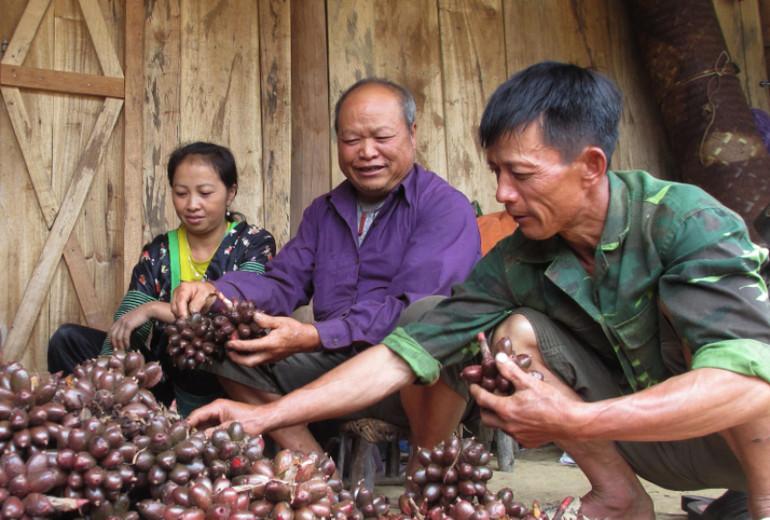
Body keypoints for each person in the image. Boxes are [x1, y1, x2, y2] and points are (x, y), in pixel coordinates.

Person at [186, 62, 770, 519]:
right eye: (497, 172)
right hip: (644, 439)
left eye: (522, 174)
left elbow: (746, 386)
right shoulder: (519, 257)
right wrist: (265, 416)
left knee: (742, 357)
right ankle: (619, 497)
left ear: (591, 166)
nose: (503, 195)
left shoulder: (686, 221)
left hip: (727, 432)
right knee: (516, 332)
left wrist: (578, 419)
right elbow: (407, 349)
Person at [172, 78, 481, 457]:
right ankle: (316, 469)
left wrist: (315, 335)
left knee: (429, 314)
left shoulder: (445, 208)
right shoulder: (324, 211)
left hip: (409, 379)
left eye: (382, 137)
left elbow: (416, 310)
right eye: (351, 140)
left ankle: (426, 466)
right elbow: (282, 283)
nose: (367, 152)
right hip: (329, 372)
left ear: (412, 134)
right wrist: (217, 292)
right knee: (219, 342)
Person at [48, 142, 276, 416]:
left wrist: (154, 309)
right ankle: (108, 423)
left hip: (233, 379)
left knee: (192, 343)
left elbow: (240, 316)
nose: (192, 204)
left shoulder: (254, 242)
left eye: (205, 193)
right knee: (68, 340)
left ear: (231, 192)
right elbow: (128, 325)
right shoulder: (159, 251)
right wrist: (109, 378)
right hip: (168, 382)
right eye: (181, 193)